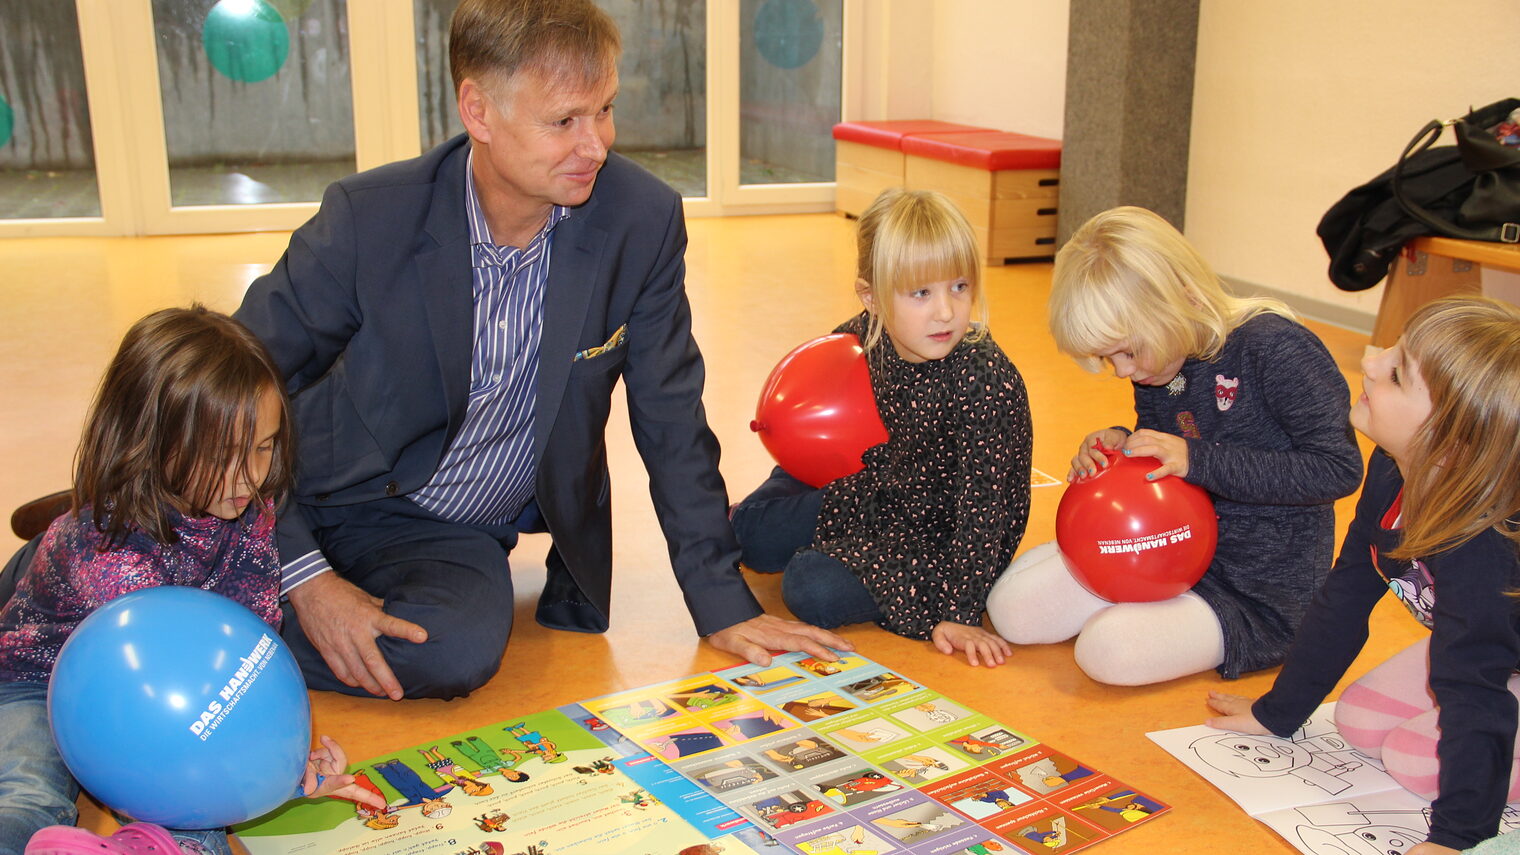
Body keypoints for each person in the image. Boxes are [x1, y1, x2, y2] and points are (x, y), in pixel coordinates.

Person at [231, 0, 846, 702]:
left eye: (605, 110)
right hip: (321, 491)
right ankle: (229, 603)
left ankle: (235, 600)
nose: (597, 145)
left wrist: (723, 600)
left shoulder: (637, 222)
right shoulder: (370, 219)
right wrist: (304, 575)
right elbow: (233, 375)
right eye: (564, 121)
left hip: (452, 531)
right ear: (479, 111)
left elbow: (671, 416)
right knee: (187, 528)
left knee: (456, 651)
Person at [0, 307, 381, 855]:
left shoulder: (251, 507)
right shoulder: (112, 558)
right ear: (151, 441)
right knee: (29, 802)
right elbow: (162, 721)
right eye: (225, 454)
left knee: (201, 826)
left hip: (162, 700)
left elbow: (244, 662)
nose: (251, 475)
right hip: (36, 684)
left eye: (265, 444)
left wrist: (285, 765)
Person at [985, 206, 1362, 685]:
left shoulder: (1276, 348)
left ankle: (1152, 612)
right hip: (1166, 554)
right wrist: (1122, 445)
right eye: (1107, 357)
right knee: (1013, 611)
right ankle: (1139, 601)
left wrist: (1196, 460)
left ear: (1178, 299)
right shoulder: (1159, 360)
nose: (1122, 371)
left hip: (1255, 593)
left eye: (1127, 350)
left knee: (1107, 652)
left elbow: (1337, 468)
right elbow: (1171, 451)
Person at [1206, 297, 1520, 854]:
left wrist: (1458, 838)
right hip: (1490, 651)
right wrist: (1278, 712)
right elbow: (1346, 593)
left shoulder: (1482, 550)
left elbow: (1473, 684)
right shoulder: (1390, 467)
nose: (1371, 361)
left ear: (1449, 444)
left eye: (1397, 373)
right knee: (1357, 721)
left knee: (1413, 757)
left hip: (1492, 663)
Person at [729, 188, 1032, 667]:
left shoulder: (982, 375)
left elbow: (985, 507)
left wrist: (960, 610)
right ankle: (774, 523)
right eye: (920, 293)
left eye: (959, 286)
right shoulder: (869, 332)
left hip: (942, 529)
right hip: (880, 483)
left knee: (810, 587)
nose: (946, 312)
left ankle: (811, 536)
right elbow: (830, 368)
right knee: (750, 535)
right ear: (871, 297)